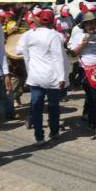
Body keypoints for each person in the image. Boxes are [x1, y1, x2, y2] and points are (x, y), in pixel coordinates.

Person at [17, 8, 68, 145]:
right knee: (53, 106)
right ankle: (54, 131)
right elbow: (58, 57)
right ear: (52, 21)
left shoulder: (29, 35)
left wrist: (30, 72)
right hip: (52, 77)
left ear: (39, 20)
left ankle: (39, 137)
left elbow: (25, 56)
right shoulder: (54, 35)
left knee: (36, 108)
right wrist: (62, 77)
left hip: (35, 78)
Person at [68, 12, 96, 139]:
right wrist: (82, 44)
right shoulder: (78, 36)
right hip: (85, 70)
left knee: (93, 97)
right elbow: (72, 54)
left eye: (93, 23)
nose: (91, 25)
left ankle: (91, 120)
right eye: (88, 23)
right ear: (84, 25)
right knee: (94, 97)